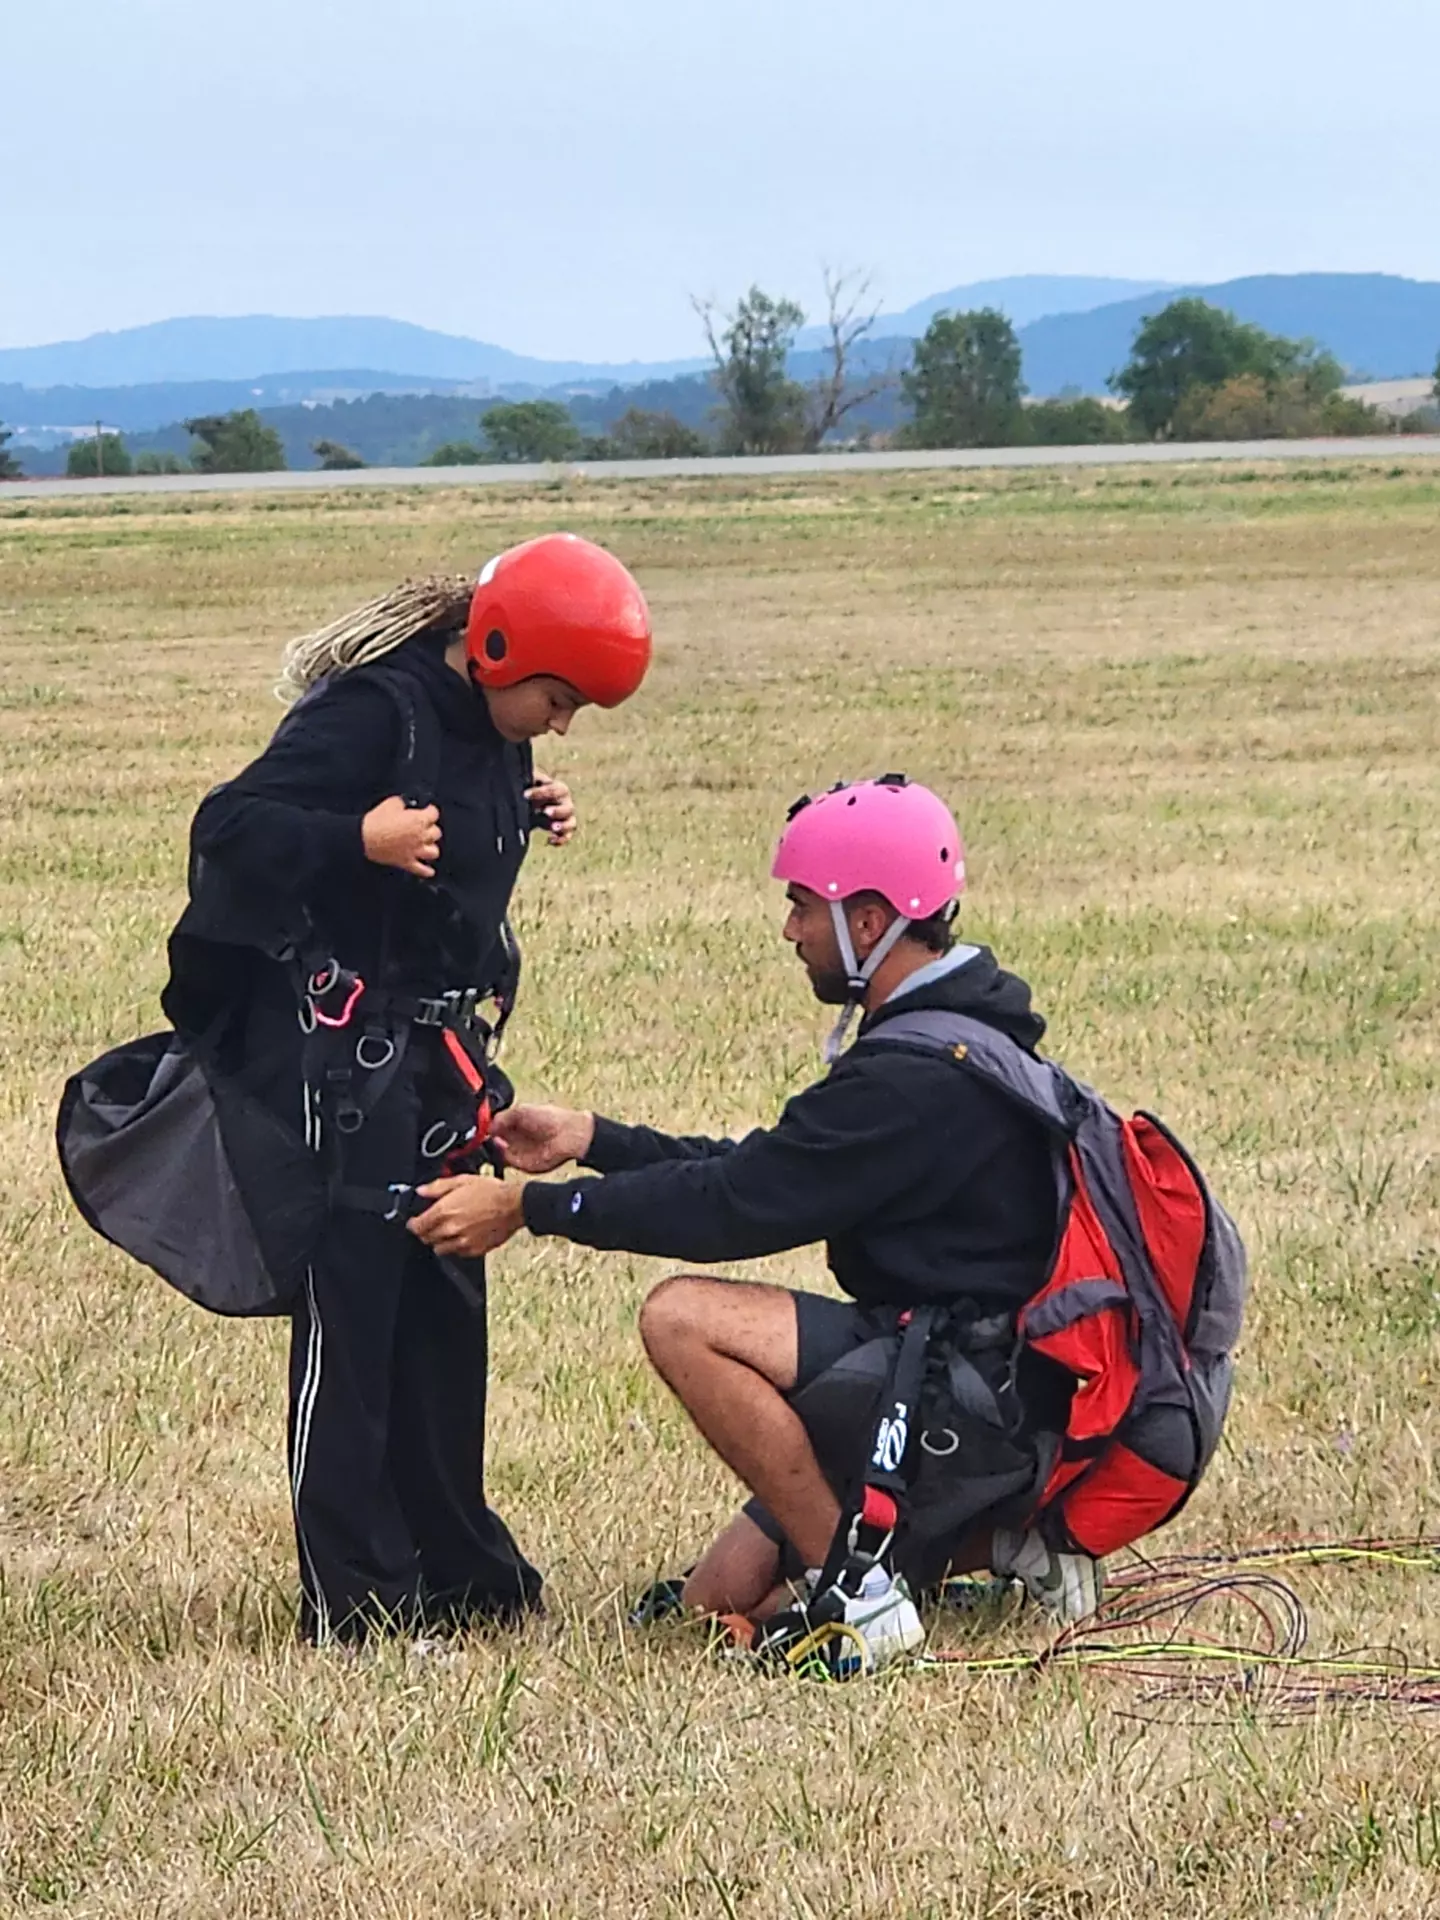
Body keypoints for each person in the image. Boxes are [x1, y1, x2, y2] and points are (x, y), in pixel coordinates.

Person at [407, 774, 1102, 1671]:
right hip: (979, 1383)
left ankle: (866, 1596)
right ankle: (1010, 1546)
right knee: (717, 1598)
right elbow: (770, 1168)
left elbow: (735, 1208)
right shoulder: (952, 1030)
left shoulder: (915, 1079)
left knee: (683, 1317)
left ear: (868, 919)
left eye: (803, 905)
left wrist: (530, 1209)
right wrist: (594, 1139)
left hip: (968, 1398)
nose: (791, 930)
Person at [162, 532, 652, 1644]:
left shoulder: (488, 726)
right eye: (558, 698)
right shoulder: (376, 711)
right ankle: (356, 1604)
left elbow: (454, 846)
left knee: (442, 1318)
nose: (560, 723)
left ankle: (460, 1570)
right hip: (346, 1072)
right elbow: (226, 829)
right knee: (357, 1325)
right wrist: (356, 837)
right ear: (495, 646)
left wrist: (523, 812)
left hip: (441, 1070)